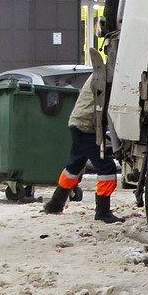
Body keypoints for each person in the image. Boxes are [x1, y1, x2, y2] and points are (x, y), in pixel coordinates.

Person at [42, 70, 123, 223]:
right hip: (86, 127)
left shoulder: (101, 72)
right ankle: (103, 212)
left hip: (78, 123)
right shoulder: (106, 76)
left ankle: (55, 204)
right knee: (106, 167)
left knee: (74, 166)